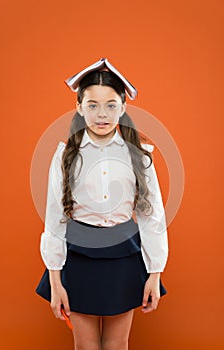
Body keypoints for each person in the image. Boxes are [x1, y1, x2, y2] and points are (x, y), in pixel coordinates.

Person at [36, 58, 168, 350]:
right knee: (85, 344)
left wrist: (154, 274)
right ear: (79, 108)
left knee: (117, 343)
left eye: (110, 105)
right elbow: (54, 219)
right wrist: (56, 283)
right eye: (92, 105)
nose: (102, 114)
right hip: (79, 257)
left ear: (123, 108)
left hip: (123, 258)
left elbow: (152, 217)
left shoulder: (139, 155)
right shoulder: (65, 156)